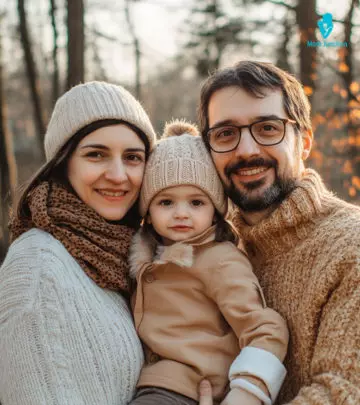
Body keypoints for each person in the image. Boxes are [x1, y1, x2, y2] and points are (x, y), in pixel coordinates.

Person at [198, 61, 360, 404]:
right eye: (226, 133)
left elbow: (341, 395)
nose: (246, 150)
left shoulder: (351, 245)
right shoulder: (211, 252)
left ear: (304, 142)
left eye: (268, 128)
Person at [0, 81, 157, 405]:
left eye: (132, 157)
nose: (118, 174)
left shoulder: (129, 257)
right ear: (63, 163)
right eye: (96, 155)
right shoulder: (38, 267)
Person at [128, 120, 289, 405]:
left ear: (215, 213)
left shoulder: (219, 259)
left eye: (196, 203)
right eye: (166, 202)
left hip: (187, 389)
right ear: (148, 213)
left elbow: (264, 327)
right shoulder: (145, 256)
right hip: (152, 384)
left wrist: (246, 394)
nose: (181, 214)